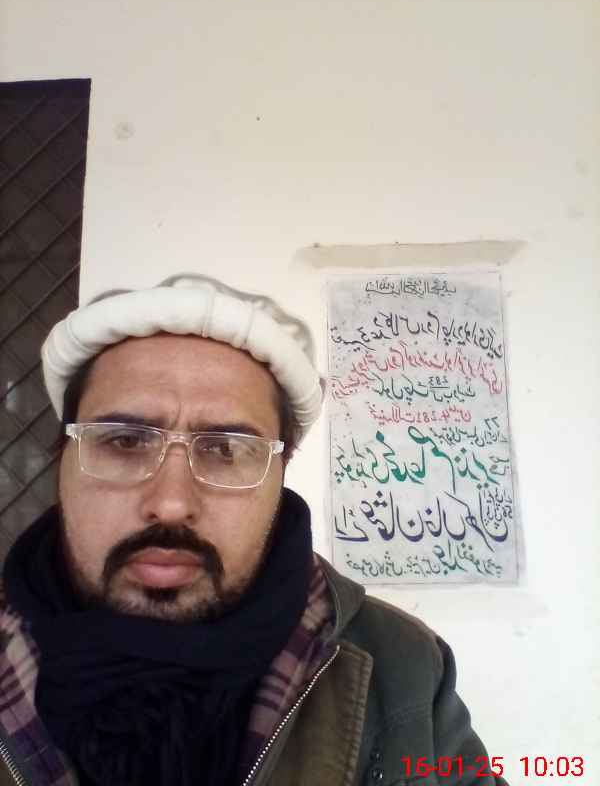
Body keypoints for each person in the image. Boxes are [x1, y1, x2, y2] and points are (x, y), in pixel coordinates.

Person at [0, 274, 509, 786]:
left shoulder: (403, 670)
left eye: (225, 449)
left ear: (281, 473)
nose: (171, 504)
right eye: (125, 441)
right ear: (63, 457)